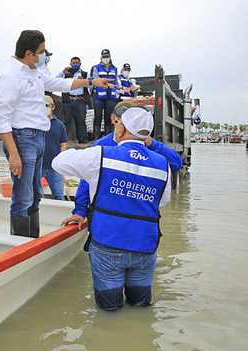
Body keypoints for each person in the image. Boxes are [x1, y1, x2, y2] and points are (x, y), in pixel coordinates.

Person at [52, 106, 171, 311]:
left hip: (108, 243)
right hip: (145, 245)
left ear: (121, 129)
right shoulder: (163, 163)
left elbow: (58, 162)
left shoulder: (101, 155)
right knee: (141, 306)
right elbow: (162, 201)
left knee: (109, 310)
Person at [0, 30, 110, 238]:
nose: (44, 56)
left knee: (36, 193)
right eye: (42, 52)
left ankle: (32, 240)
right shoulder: (9, 76)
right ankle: (20, 243)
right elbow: (1, 118)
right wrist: (13, 154)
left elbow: (60, 84)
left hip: (38, 138)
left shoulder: (34, 72)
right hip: (22, 139)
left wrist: (92, 82)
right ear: (29, 53)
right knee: (23, 196)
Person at [62, 101, 183, 233]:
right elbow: (86, 180)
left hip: (139, 218)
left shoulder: (147, 145)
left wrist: (151, 143)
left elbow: (176, 163)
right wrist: (80, 211)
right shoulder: (101, 146)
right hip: (107, 217)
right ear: (114, 119)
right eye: (124, 121)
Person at [90, 49, 122, 139]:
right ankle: (96, 138)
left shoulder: (114, 69)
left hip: (110, 96)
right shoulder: (96, 68)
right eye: (104, 57)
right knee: (98, 116)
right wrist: (107, 85)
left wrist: (122, 88)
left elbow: (116, 82)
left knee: (108, 117)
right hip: (98, 96)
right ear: (101, 58)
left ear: (110, 57)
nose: (105, 58)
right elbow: (96, 80)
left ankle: (107, 137)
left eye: (107, 56)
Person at [58, 57, 89, 143]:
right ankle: (63, 141)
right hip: (68, 100)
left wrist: (84, 81)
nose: (75, 64)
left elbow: (91, 86)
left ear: (80, 64)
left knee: (81, 121)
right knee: (66, 121)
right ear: (70, 64)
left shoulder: (84, 74)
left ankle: (83, 140)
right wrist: (63, 72)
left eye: (77, 63)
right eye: (73, 63)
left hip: (80, 100)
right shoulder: (66, 73)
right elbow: (56, 80)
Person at [43, 95, 67, 200]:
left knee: (59, 194)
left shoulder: (60, 125)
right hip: (37, 165)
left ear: (53, 107)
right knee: (35, 194)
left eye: (46, 105)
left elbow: (63, 143)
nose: (44, 108)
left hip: (54, 167)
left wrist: (60, 160)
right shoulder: (35, 124)